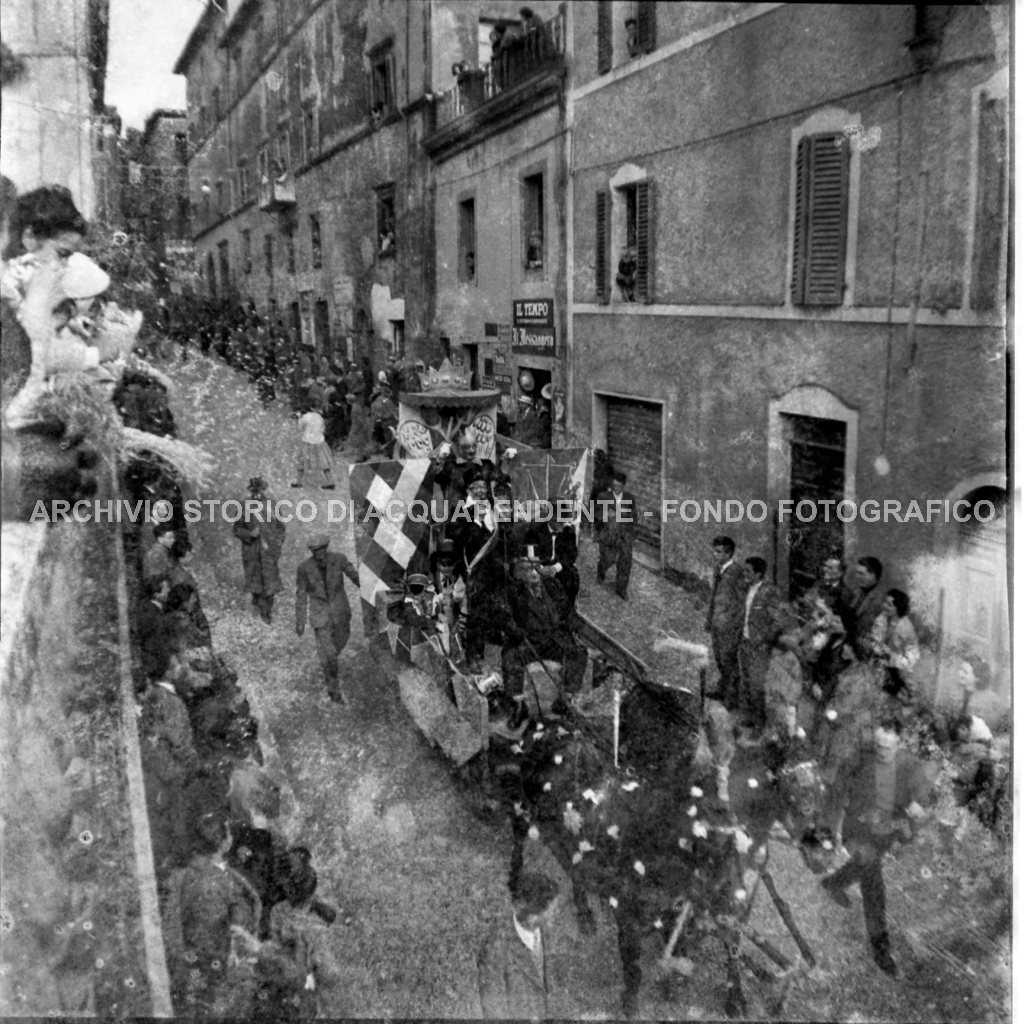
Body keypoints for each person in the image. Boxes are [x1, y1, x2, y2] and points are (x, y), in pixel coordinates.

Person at [819, 718, 934, 977]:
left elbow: (923, 790)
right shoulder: (860, 759)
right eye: (880, 745)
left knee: (866, 864)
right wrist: (831, 827)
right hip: (858, 829)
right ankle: (880, 947)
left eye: (889, 747)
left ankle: (833, 883)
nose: (883, 752)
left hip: (888, 830)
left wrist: (918, 803)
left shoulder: (908, 764)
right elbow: (836, 788)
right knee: (873, 885)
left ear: (899, 745)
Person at [162, 809, 263, 1016]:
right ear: (223, 842)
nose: (232, 837)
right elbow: (239, 931)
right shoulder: (225, 882)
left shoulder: (177, 877)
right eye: (229, 833)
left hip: (186, 972)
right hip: (216, 974)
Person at [502, 558, 588, 711]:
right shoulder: (514, 592)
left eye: (536, 568)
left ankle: (567, 699)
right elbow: (504, 616)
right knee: (510, 657)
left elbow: (567, 610)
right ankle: (517, 705)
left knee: (579, 652)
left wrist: (575, 624)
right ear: (521, 573)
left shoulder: (553, 586)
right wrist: (513, 629)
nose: (533, 573)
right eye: (528, 569)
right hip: (529, 640)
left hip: (555, 639)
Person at [478, 872, 561, 1019]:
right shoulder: (495, 947)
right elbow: (495, 1013)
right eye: (552, 909)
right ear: (532, 916)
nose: (557, 912)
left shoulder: (552, 937)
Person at [295, 535, 360, 703]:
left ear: (327, 547)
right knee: (328, 653)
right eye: (315, 551)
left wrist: (371, 588)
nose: (319, 553)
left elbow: (355, 576)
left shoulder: (339, 559)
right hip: (320, 617)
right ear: (311, 552)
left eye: (322, 549)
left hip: (341, 613)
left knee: (340, 643)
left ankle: (329, 665)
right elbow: (301, 595)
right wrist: (300, 620)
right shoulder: (304, 568)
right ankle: (333, 686)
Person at [738, 556, 784, 741]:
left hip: (759, 647)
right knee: (748, 683)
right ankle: (751, 717)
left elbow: (778, 621)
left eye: (748, 571)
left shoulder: (769, 591)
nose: (745, 574)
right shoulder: (747, 588)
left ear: (758, 573)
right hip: (745, 641)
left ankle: (759, 724)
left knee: (757, 686)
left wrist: (765, 641)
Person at [234, 476, 287, 624]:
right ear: (250, 491)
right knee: (256, 583)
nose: (257, 494)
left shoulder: (272, 505)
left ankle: (266, 613)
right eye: (254, 491)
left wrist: (276, 545)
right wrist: (249, 534)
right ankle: (257, 605)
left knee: (270, 584)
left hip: (269, 553)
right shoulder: (243, 506)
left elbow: (281, 529)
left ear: (264, 490)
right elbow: (237, 529)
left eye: (260, 490)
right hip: (252, 552)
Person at [705, 535, 745, 711]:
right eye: (714, 551)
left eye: (719, 552)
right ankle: (722, 691)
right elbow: (714, 596)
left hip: (729, 626)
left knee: (729, 662)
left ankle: (732, 699)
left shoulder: (737, 573)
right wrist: (709, 619)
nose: (715, 554)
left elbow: (742, 602)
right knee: (720, 660)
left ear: (729, 554)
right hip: (717, 623)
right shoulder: (718, 568)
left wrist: (735, 625)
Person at [869, 588, 920, 705]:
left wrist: (891, 657)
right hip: (879, 665)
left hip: (897, 672)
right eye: (885, 602)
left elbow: (912, 659)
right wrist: (876, 648)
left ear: (898, 608)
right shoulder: (882, 617)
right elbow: (875, 637)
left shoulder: (907, 629)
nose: (884, 606)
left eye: (889, 605)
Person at [524, 502, 579, 606]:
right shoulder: (535, 530)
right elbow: (530, 554)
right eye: (560, 520)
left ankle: (568, 609)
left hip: (560, 567)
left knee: (573, 578)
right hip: (540, 567)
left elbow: (571, 554)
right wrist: (540, 568)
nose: (564, 524)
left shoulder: (568, 530)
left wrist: (556, 568)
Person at [594, 470, 636, 600]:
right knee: (608, 559)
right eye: (614, 485)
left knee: (625, 563)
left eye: (618, 486)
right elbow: (595, 514)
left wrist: (631, 533)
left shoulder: (629, 498)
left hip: (624, 536)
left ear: (623, 485)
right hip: (608, 534)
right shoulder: (603, 496)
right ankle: (601, 569)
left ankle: (621, 589)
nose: (615, 488)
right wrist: (606, 516)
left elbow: (634, 517)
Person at [845, 556, 886, 660]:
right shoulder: (856, 592)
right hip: (849, 644)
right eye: (857, 572)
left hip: (863, 653)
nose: (857, 576)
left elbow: (872, 634)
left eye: (861, 573)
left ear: (872, 574)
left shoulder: (880, 601)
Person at [292, 399, 335, 489]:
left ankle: (298, 481)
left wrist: (299, 418)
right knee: (324, 462)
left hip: (307, 441)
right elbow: (323, 429)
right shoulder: (319, 416)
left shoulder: (304, 417)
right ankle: (330, 481)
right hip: (320, 440)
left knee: (302, 461)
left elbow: (300, 428)